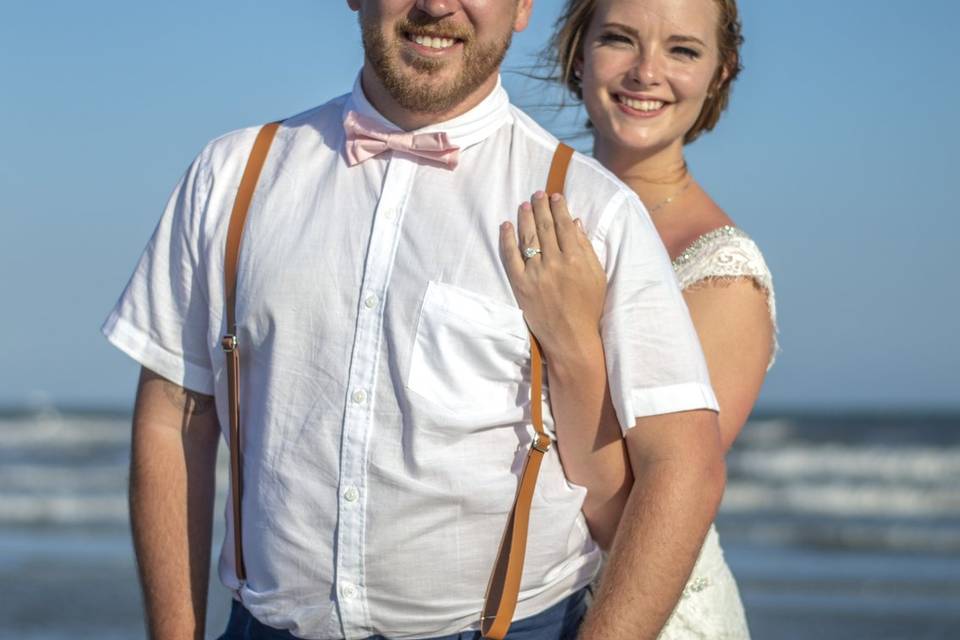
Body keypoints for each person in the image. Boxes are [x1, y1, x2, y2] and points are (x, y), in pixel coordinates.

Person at [101, 1, 727, 638]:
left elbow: (683, 468)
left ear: (521, 8)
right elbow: (175, 416)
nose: (436, 5)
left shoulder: (593, 208)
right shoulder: (231, 176)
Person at [502, 0, 778, 637]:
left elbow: (639, 510)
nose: (646, 72)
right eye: (621, 40)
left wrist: (572, 339)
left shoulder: (723, 274)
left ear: (721, 73)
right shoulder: (531, 206)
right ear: (578, 55)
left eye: (682, 50)